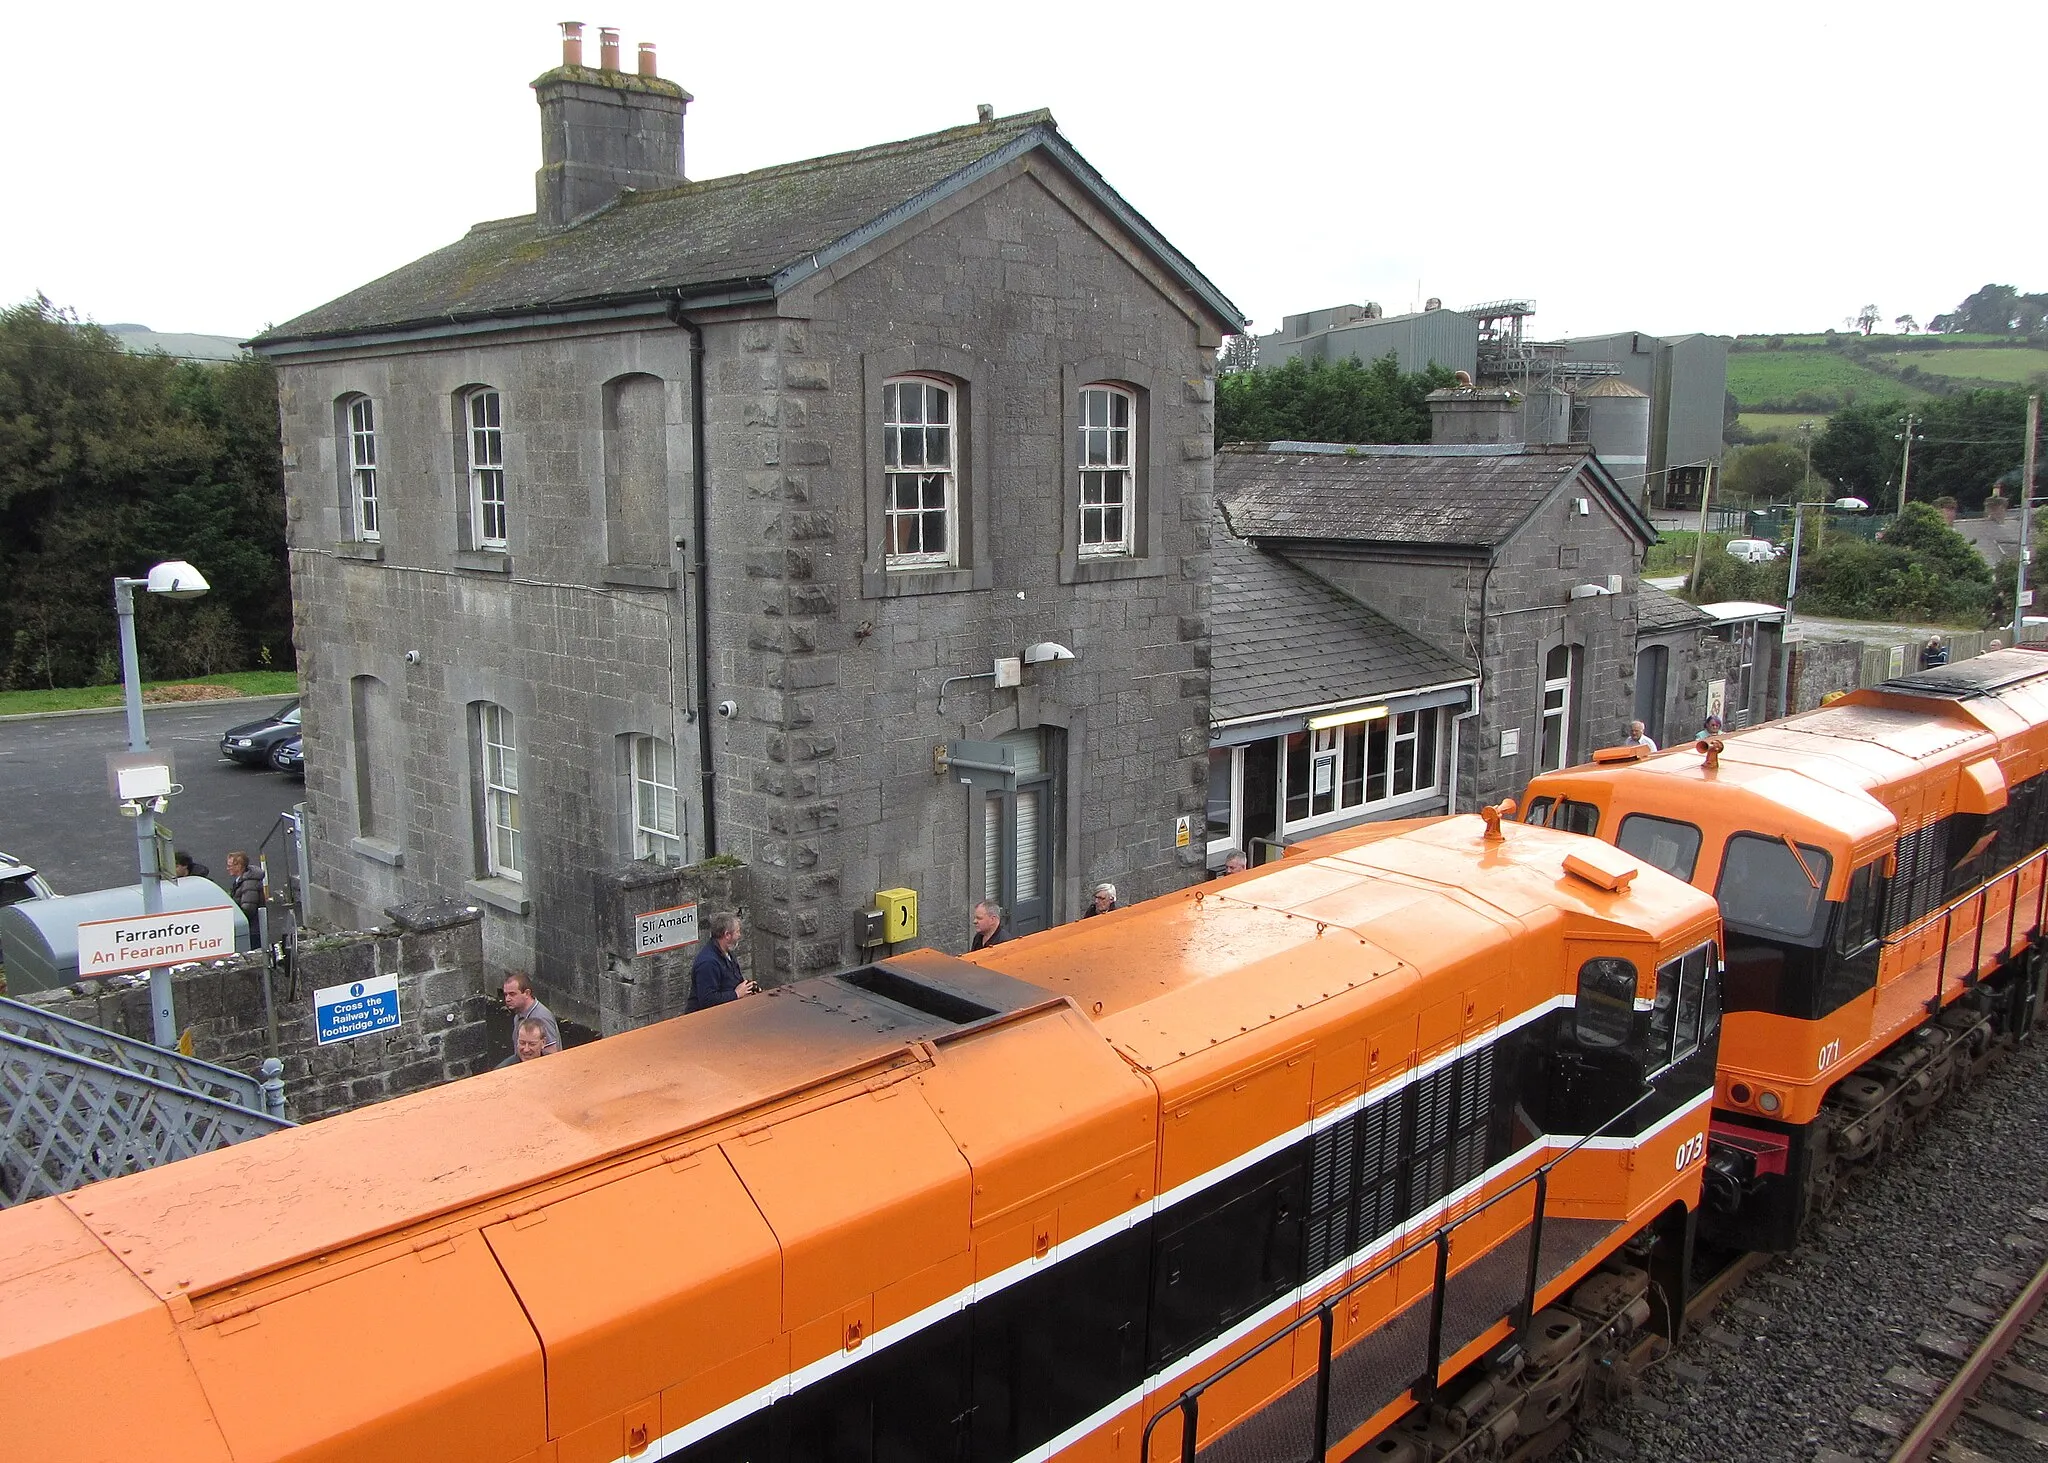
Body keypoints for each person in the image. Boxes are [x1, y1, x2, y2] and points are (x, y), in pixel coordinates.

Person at [686, 912, 756, 1012]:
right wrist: (736, 994)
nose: (739, 935)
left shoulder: (727, 952)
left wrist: (748, 988)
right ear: (727, 935)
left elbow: (732, 982)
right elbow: (707, 1000)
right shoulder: (708, 963)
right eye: (737, 932)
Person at [501, 971, 563, 1053]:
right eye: (506, 994)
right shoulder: (518, 1015)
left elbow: (552, 1052)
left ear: (527, 993)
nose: (507, 999)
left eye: (512, 994)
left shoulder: (542, 1017)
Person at [224, 851, 263, 920]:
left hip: (251, 927)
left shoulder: (249, 883)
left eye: (230, 866)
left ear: (239, 866)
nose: (227, 868)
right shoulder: (243, 881)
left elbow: (248, 909)